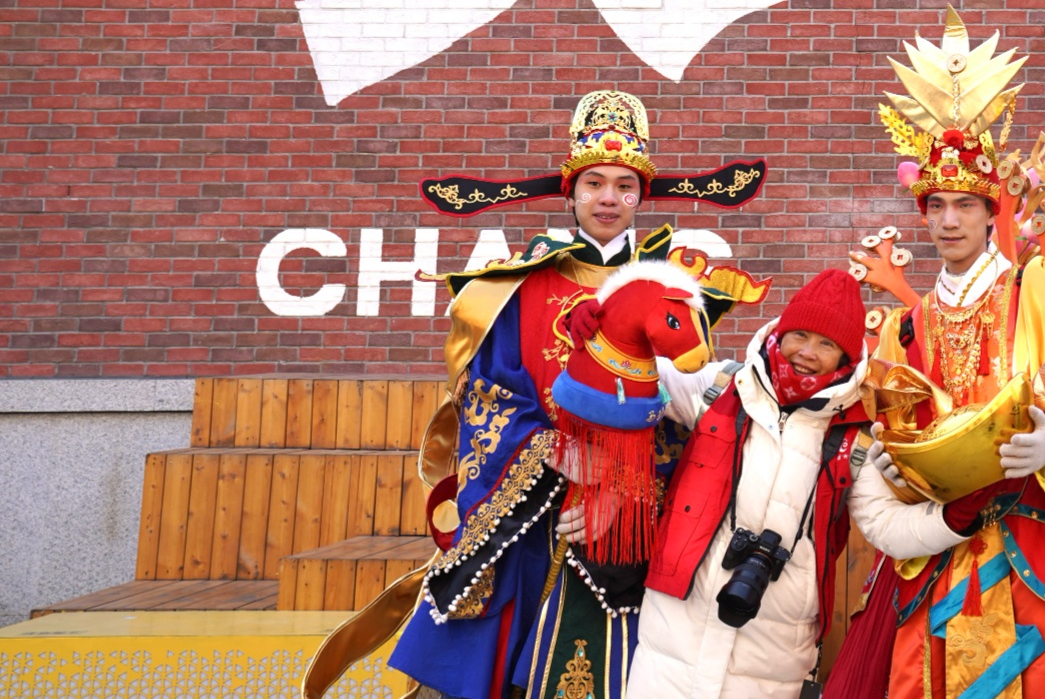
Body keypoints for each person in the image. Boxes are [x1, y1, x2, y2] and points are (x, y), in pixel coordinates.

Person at [303, 91, 770, 699]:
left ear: (641, 197)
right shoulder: (519, 287)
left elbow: (686, 410)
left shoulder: (672, 287)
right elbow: (488, 396)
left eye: (625, 186)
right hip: (530, 512)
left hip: (634, 519)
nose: (609, 199)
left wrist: (621, 489)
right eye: (594, 184)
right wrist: (561, 456)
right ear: (571, 193)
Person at [837, 8, 1045, 699]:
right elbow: (892, 429)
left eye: (964, 204)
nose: (948, 220)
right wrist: (894, 463)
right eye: (936, 206)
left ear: (991, 212)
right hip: (945, 545)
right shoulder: (906, 328)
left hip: (1039, 536)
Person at [625, 269, 879, 699]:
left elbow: (888, 525)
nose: (807, 353)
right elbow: (634, 372)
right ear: (781, 332)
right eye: (800, 335)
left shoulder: (855, 439)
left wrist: (955, 515)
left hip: (774, 654)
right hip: (672, 640)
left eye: (827, 344)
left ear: (845, 358)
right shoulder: (721, 387)